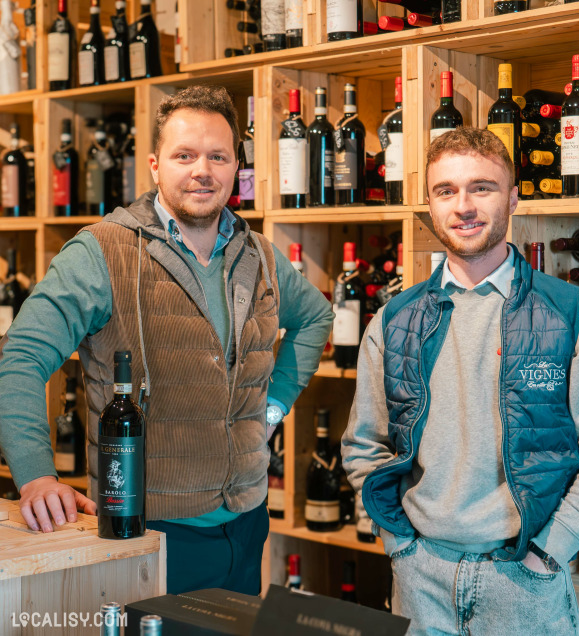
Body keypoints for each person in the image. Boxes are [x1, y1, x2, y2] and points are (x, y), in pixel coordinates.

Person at [0, 85, 334, 596]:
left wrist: (274, 408)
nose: (203, 170)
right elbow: (20, 358)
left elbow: (315, 318)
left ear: (235, 168)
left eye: (217, 156)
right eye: (185, 155)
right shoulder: (100, 252)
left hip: (246, 527)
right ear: (155, 165)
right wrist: (35, 475)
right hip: (146, 535)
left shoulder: (259, 255)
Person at [341, 127, 579, 635]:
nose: (464, 206)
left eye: (482, 187)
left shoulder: (570, 312)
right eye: (445, 190)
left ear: (513, 198)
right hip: (421, 577)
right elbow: (363, 445)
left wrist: (551, 549)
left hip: (525, 578)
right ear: (430, 206)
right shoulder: (394, 320)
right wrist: (401, 545)